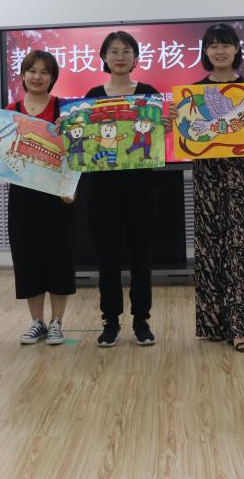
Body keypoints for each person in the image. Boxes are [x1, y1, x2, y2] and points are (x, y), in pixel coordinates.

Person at [84, 31, 162, 347]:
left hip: (140, 187)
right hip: (102, 189)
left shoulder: (149, 94)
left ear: (135, 57)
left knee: (142, 257)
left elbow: (158, 139)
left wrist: (167, 124)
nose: (120, 57)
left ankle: (141, 320)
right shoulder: (92, 95)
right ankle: (111, 321)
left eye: (126, 51)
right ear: (104, 57)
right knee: (108, 258)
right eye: (113, 51)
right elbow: (83, 140)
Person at [191, 22, 244, 352]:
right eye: (213, 45)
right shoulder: (192, 92)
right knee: (209, 247)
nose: (220, 51)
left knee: (241, 248)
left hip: (242, 175)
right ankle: (214, 324)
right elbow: (188, 134)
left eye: (226, 44)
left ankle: (241, 327)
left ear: (236, 49)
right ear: (206, 52)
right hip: (207, 174)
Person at [4, 50, 76, 346]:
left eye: (44, 72)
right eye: (32, 70)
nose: (37, 76)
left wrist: (71, 189)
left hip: (57, 197)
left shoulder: (64, 110)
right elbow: (3, 154)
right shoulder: (10, 111)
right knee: (27, 257)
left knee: (59, 257)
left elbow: (76, 153)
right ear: (23, 75)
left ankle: (57, 322)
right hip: (22, 196)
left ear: (53, 77)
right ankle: (37, 322)